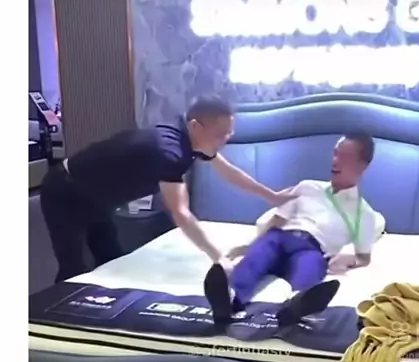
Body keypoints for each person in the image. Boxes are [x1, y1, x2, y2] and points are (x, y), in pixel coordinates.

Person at [39, 95, 296, 283]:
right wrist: (219, 258)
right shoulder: (169, 152)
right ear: (196, 126)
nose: (226, 140)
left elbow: (229, 172)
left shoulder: (190, 138)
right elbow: (181, 214)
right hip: (65, 192)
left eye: (229, 133)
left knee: (110, 261)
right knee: (72, 268)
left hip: (97, 198)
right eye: (221, 134)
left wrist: (272, 196)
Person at [204, 132, 385, 327]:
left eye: (345, 157)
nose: (335, 161)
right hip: (281, 237)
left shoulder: (363, 214)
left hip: (313, 248)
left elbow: (364, 258)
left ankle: (297, 304)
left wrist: (350, 259)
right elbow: (277, 220)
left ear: (362, 166)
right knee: (260, 253)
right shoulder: (307, 187)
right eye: (335, 153)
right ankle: (230, 299)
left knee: (311, 264)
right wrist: (248, 246)